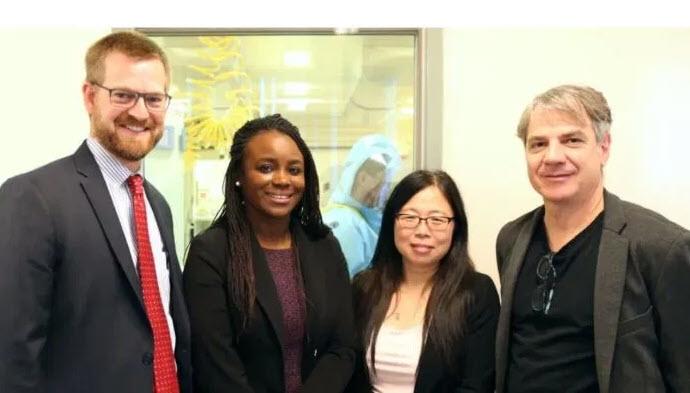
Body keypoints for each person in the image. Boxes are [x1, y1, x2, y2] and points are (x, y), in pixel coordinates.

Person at [0, 31, 191, 393]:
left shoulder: (158, 205)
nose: (139, 112)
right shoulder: (33, 196)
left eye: (153, 99)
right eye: (123, 95)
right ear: (90, 96)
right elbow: (13, 351)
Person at [495, 85, 690, 393]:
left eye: (572, 140)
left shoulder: (662, 248)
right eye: (538, 144)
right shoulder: (511, 239)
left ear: (604, 147)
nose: (553, 156)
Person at [183, 114, 356, 393]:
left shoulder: (323, 245)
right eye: (265, 167)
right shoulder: (211, 253)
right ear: (239, 175)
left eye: (294, 170)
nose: (282, 180)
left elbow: (343, 347)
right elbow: (214, 364)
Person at [347, 170, 499, 393]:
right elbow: (347, 372)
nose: (422, 231)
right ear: (392, 222)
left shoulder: (476, 293)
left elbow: (477, 385)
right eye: (409, 217)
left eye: (437, 220)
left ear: (456, 227)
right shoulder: (364, 287)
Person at [324, 134, 401, 277]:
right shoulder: (345, 224)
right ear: (363, 178)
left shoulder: (357, 218)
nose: (385, 192)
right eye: (384, 184)